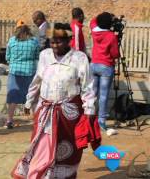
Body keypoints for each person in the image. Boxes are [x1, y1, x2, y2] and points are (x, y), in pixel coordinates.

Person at [11, 23, 100, 178]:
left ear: (69, 40)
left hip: (69, 114)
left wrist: (90, 109)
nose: (55, 45)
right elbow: (37, 80)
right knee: (41, 148)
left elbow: (88, 86)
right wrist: (29, 100)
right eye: (52, 41)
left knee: (67, 148)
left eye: (59, 41)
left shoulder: (79, 58)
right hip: (45, 112)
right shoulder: (45, 55)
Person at [5, 20, 40, 129]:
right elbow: (37, 56)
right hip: (30, 71)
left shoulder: (12, 41)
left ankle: (9, 121)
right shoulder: (34, 41)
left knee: (13, 97)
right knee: (33, 97)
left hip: (14, 72)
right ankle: (36, 122)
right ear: (28, 30)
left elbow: (7, 57)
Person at [90, 12, 120, 131]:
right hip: (106, 66)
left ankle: (89, 117)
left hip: (93, 64)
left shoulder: (94, 31)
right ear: (109, 24)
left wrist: (105, 15)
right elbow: (115, 54)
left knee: (92, 93)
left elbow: (93, 21)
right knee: (103, 95)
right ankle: (101, 121)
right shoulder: (111, 36)